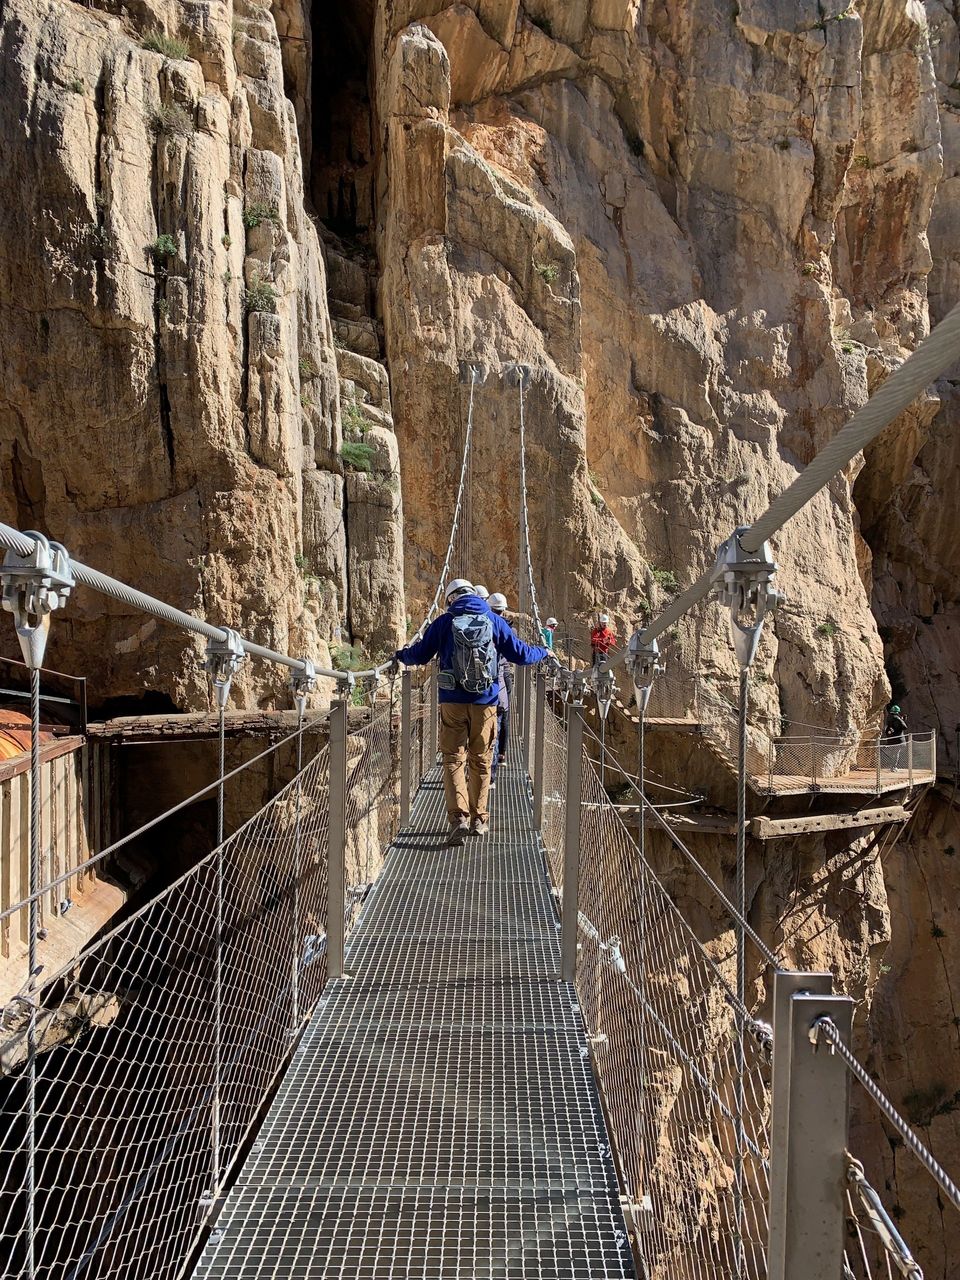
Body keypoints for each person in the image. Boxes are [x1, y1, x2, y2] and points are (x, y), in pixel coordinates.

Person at [392, 580, 548, 843]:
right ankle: (479, 819)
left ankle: (458, 819)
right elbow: (520, 654)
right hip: (486, 702)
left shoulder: (443, 622)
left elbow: (419, 655)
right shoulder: (493, 620)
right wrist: (543, 652)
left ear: (451, 598)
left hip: (452, 700)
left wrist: (401, 655)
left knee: (454, 759)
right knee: (482, 760)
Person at [488, 593, 513, 786]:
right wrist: (543, 652)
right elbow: (520, 653)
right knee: (497, 727)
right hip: (500, 685)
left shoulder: (482, 624)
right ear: (503, 610)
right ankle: (492, 773)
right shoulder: (505, 627)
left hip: (475, 691)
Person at [884, 703, 908, 769]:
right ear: (897, 712)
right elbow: (905, 727)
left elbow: (891, 727)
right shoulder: (897, 718)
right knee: (896, 753)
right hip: (898, 739)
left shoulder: (889, 718)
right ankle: (894, 767)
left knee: (892, 753)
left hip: (891, 739)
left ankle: (892, 766)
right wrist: (902, 720)